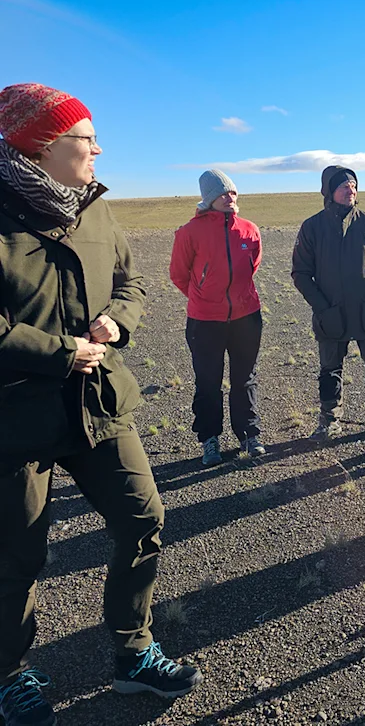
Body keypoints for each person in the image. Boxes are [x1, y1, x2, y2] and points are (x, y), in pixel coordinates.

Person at [0, 83, 202, 726]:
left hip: (99, 403)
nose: (98, 150)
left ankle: (134, 651)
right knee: (17, 556)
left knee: (143, 519)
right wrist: (60, 351)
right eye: (86, 140)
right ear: (42, 147)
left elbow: (130, 281)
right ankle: (9, 675)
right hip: (13, 418)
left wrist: (119, 320)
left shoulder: (96, 210)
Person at [292, 166, 365, 440]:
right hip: (331, 314)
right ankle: (329, 420)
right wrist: (322, 308)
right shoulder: (312, 227)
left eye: (353, 185)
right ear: (328, 191)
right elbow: (301, 273)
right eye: (343, 186)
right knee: (330, 370)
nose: (350, 190)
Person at [170, 169, 265, 465]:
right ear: (208, 199)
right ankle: (209, 439)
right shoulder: (189, 232)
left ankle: (249, 434)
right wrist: (204, 297)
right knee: (208, 382)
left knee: (244, 379)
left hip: (246, 317)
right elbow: (178, 275)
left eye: (233, 193)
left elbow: (254, 265)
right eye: (222, 194)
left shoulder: (249, 228)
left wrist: (236, 299)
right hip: (204, 321)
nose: (229, 198)